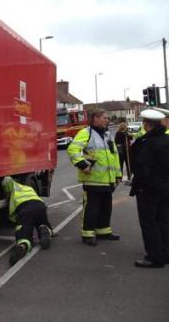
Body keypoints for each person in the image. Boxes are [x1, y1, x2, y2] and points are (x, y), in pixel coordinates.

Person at [67, 108, 122, 246]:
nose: (107, 120)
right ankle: (88, 234)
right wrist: (83, 165)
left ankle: (103, 232)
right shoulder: (86, 133)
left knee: (106, 207)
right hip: (92, 179)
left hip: (107, 180)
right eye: (104, 117)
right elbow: (73, 149)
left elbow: (114, 156)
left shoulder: (108, 134)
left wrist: (118, 174)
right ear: (95, 118)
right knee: (91, 208)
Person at [129, 109, 169, 268]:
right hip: (166, 189)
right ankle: (166, 253)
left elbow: (141, 169)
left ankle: (154, 257)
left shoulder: (145, 143)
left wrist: (138, 186)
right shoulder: (167, 140)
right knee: (164, 221)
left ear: (147, 124)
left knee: (149, 223)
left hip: (149, 190)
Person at [2, 176, 53, 265]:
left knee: (24, 234)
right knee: (42, 222)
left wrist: (18, 223)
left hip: (26, 210)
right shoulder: (27, 187)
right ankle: (45, 230)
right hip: (40, 207)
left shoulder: (13, 195)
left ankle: (22, 246)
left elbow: (13, 215)